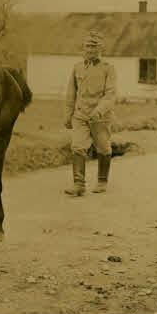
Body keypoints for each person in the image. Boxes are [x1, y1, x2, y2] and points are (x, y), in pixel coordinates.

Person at [64, 30, 117, 195]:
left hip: (101, 117)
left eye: (94, 47)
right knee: (77, 146)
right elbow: (71, 93)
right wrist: (68, 114)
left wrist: (99, 111)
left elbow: (110, 94)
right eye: (87, 46)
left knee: (103, 148)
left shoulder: (108, 68)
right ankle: (79, 185)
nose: (89, 50)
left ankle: (102, 181)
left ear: (100, 49)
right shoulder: (77, 67)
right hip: (81, 115)